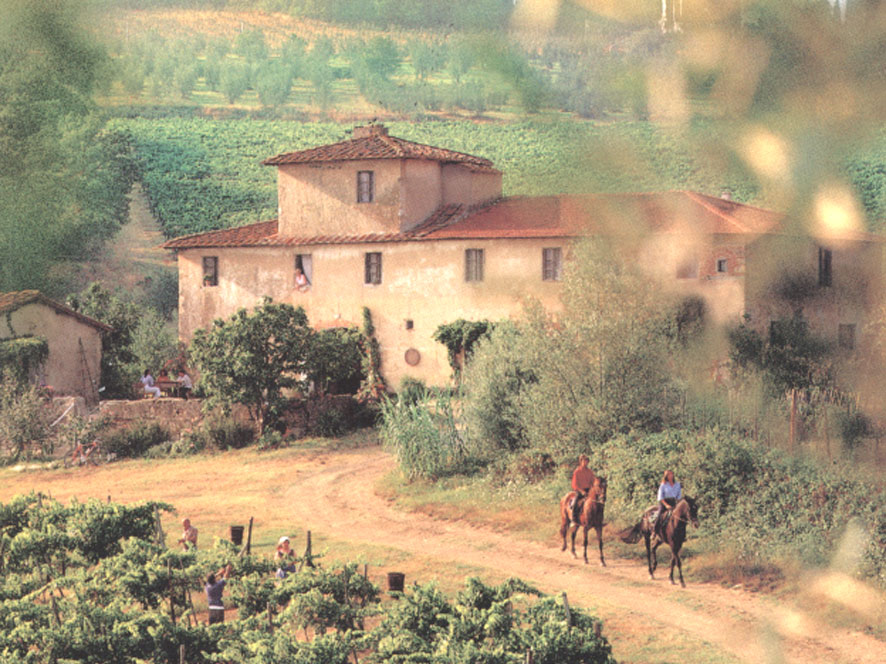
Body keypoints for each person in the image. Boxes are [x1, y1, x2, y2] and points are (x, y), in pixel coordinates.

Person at [570, 454, 597, 525]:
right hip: (579, 490)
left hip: (589, 490)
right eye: (584, 461)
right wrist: (581, 491)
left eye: (587, 461)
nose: (586, 463)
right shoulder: (577, 471)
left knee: (598, 501)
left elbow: (593, 481)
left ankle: (598, 519)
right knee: (575, 502)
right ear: (581, 461)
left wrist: (593, 488)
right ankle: (574, 519)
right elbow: (574, 485)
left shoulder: (590, 471)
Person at [653, 470, 682, 535]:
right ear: (666, 476)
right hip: (664, 502)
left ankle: (681, 533)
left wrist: (678, 502)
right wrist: (666, 505)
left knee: (681, 516)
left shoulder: (677, 484)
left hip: (674, 502)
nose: (671, 476)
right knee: (660, 514)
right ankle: (655, 531)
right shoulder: (663, 485)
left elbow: (679, 496)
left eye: (671, 474)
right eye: (669, 475)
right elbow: (660, 497)